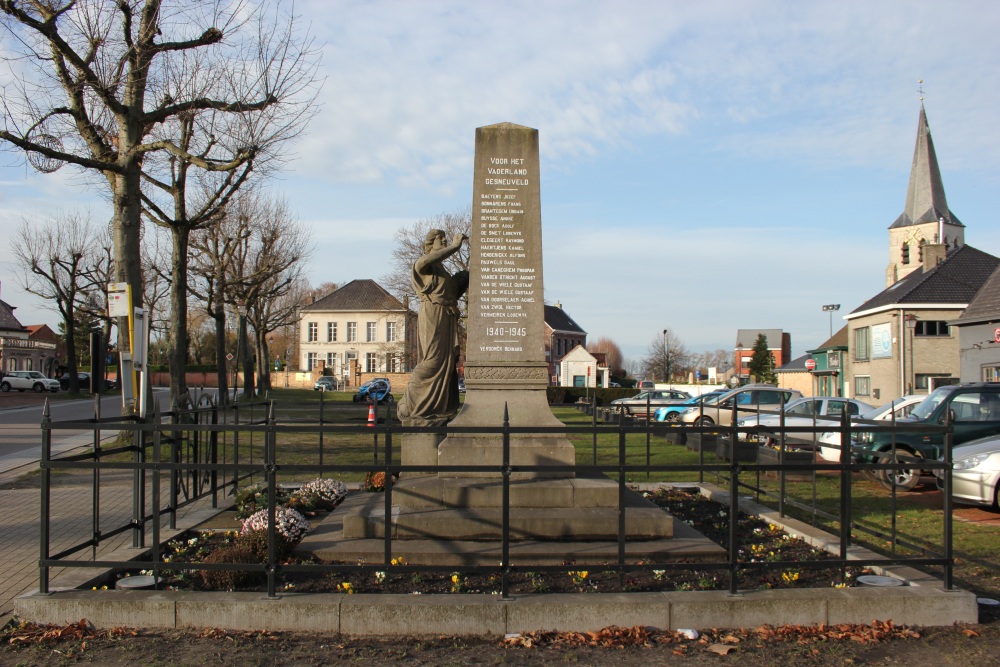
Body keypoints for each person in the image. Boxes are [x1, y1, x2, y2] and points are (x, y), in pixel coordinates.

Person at [397, 230, 469, 427]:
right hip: (433, 314)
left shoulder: (441, 271)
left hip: (446, 316)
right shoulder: (424, 265)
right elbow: (424, 263)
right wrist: (454, 247)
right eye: (441, 239)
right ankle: (411, 404)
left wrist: (465, 277)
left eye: (446, 239)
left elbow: (451, 290)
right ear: (430, 243)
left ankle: (437, 409)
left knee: (446, 362)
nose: (445, 240)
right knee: (433, 360)